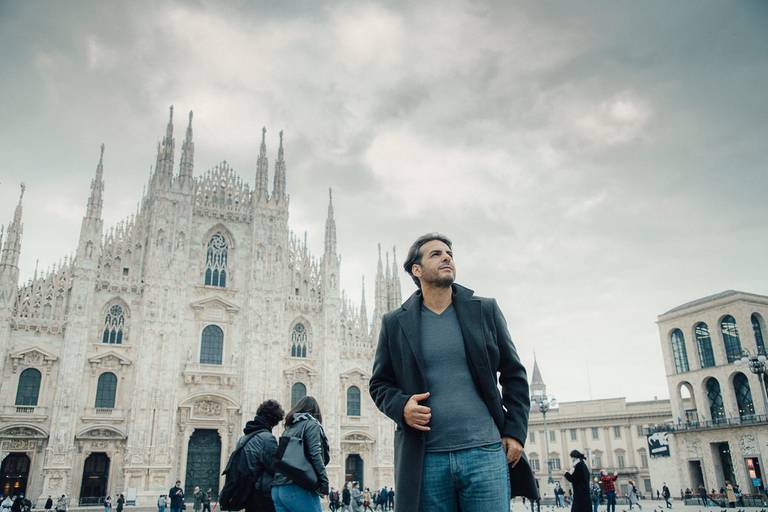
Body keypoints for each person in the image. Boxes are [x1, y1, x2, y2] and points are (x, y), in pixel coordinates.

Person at [369, 233, 533, 512]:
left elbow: (514, 374)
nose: (446, 257)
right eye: (435, 254)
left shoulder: (484, 310)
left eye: (449, 253)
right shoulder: (395, 322)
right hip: (427, 457)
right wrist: (402, 407)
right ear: (416, 270)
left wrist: (516, 432)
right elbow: (379, 384)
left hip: (485, 452)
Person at [271, 396, 330, 512]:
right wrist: (324, 482)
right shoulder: (311, 424)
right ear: (315, 411)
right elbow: (315, 454)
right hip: (298, 487)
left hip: (278, 489)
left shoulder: (289, 427)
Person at [239, 399, 285, 512]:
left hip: (247, 493)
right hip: (261, 496)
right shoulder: (266, 438)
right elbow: (275, 468)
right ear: (274, 420)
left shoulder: (244, 437)